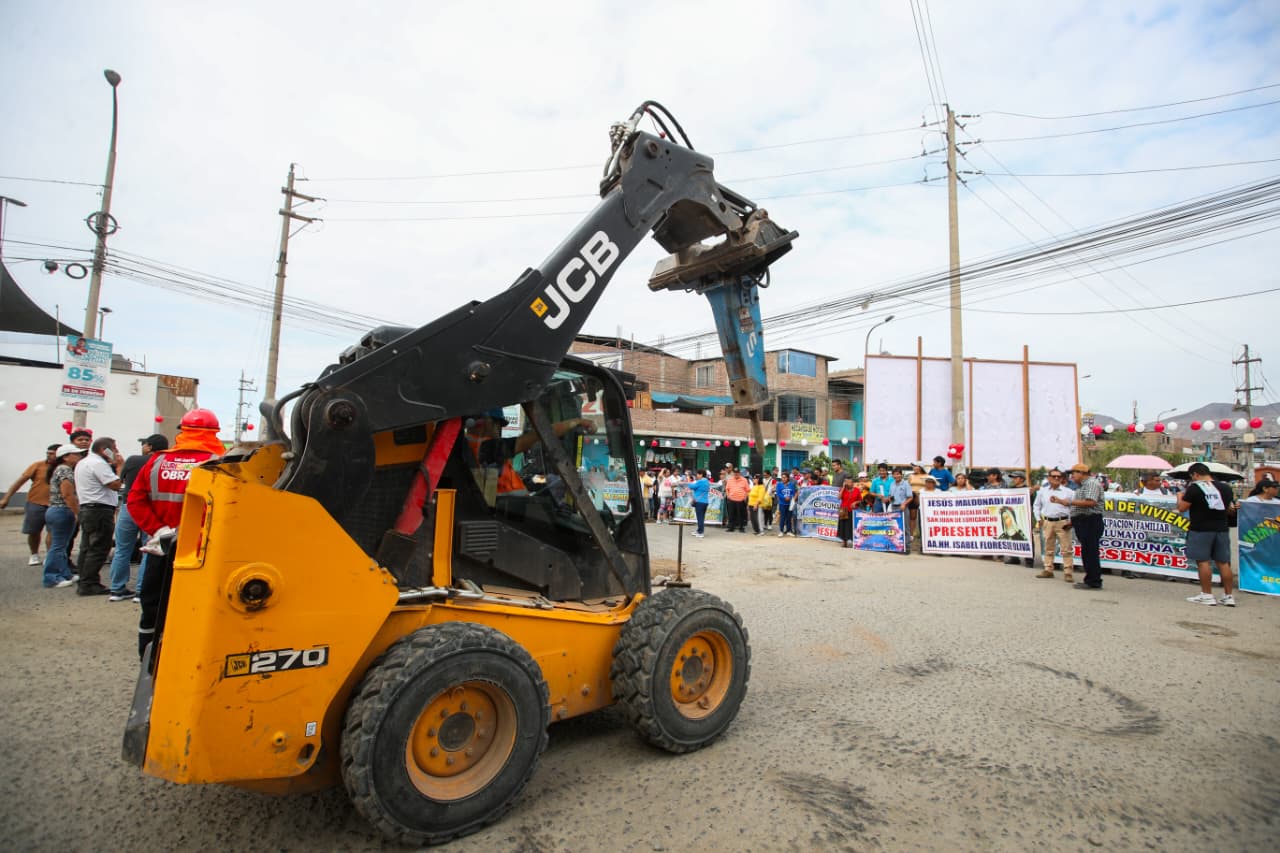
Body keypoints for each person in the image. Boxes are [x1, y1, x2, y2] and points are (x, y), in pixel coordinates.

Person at [130, 409, 227, 659]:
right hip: (201, 552)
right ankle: (185, 657)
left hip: (161, 547)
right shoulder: (221, 462)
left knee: (153, 606)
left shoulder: (157, 462)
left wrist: (160, 530)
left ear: (182, 432)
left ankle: (148, 658)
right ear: (215, 433)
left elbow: (135, 500)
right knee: (193, 610)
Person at [108, 433, 169, 603]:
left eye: (144, 444)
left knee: (122, 549)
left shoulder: (133, 460)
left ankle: (116, 589)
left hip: (129, 507)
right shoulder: (165, 463)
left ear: (149, 447)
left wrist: (120, 466)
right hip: (152, 510)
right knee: (149, 550)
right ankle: (141, 591)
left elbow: (121, 480)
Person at [1177, 463, 1238, 607]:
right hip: (1222, 528)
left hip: (1200, 529)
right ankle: (1228, 596)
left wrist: (1180, 497)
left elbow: (1182, 508)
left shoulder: (1194, 488)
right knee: (1223, 562)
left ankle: (1207, 594)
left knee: (1203, 561)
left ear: (1195, 474)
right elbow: (1230, 509)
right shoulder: (1225, 488)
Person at [74, 436, 122, 597]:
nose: (115, 452)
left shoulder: (85, 462)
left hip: (88, 508)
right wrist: (120, 466)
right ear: (104, 450)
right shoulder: (98, 463)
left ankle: (85, 580)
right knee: (99, 548)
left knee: (87, 547)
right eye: (113, 449)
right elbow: (115, 485)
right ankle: (89, 583)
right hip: (99, 510)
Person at [1, 443, 59, 566]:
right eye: (48, 453)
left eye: (52, 453)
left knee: (53, 531)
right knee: (33, 531)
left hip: (55, 504)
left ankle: (50, 556)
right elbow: (19, 482)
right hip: (35, 502)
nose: (49, 456)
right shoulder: (37, 465)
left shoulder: (64, 467)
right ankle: (34, 554)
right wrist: (6, 498)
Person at [1053, 463, 1105, 590]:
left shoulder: (1091, 483)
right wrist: (1072, 522)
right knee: (1087, 551)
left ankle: (1094, 580)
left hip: (1090, 521)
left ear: (1082, 473)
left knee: (1090, 552)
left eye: (1074, 473)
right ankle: (1090, 578)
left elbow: (1091, 502)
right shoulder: (1082, 486)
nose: (1072, 476)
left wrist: (1069, 502)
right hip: (1083, 520)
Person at [41, 444, 86, 588]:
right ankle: (51, 577)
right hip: (62, 510)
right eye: (76, 454)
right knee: (58, 546)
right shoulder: (65, 470)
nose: (79, 456)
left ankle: (65, 573)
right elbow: (67, 494)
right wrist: (77, 512)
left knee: (63, 544)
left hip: (57, 510)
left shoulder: (62, 469)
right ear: (66, 457)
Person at [1033, 469, 1075, 581]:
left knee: (1066, 548)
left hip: (1063, 521)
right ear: (1049, 478)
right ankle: (1048, 569)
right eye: (1054, 476)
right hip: (1048, 521)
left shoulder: (1069, 492)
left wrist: (1071, 521)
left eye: (1059, 477)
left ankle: (1068, 572)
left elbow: (1074, 508)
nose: (1056, 478)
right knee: (1048, 547)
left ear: (1062, 478)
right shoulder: (1042, 491)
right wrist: (1038, 518)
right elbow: (1036, 506)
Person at [723, 467, 750, 532]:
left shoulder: (744, 480)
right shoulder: (730, 480)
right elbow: (727, 489)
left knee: (740, 515)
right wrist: (728, 495)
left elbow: (747, 490)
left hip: (740, 500)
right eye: (735, 473)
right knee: (731, 514)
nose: (736, 474)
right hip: (731, 500)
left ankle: (741, 528)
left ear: (739, 473)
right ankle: (731, 527)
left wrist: (745, 497)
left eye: (737, 473)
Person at [836, 477, 861, 547]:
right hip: (843, 509)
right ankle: (844, 541)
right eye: (846, 482)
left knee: (851, 526)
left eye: (849, 482)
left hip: (852, 510)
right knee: (842, 526)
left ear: (853, 483)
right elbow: (838, 497)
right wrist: (843, 487)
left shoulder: (857, 490)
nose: (848, 483)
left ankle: (852, 541)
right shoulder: (842, 489)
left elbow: (860, 500)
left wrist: (855, 502)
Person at [688, 470, 711, 538]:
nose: (696, 476)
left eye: (698, 474)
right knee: (701, 518)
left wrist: (689, 480)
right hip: (705, 502)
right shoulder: (706, 481)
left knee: (700, 518)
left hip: (700, 502)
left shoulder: (701, 481)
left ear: (701, 475)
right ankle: (699, 530)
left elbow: (691, 486)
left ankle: (701, 532)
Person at [775, 471, 798, 537]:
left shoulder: (791, 484)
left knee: (789, 517)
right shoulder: (779, 484)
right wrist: (784, 497)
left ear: (788, 478)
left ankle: (788, 531)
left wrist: (790, 497)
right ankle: (781, 531)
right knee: (782, 517)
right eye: (782, 477)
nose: (783, 479)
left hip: (790, 504)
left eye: (784, 477)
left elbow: (793, 493)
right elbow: (778, 493)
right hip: (782, 503)